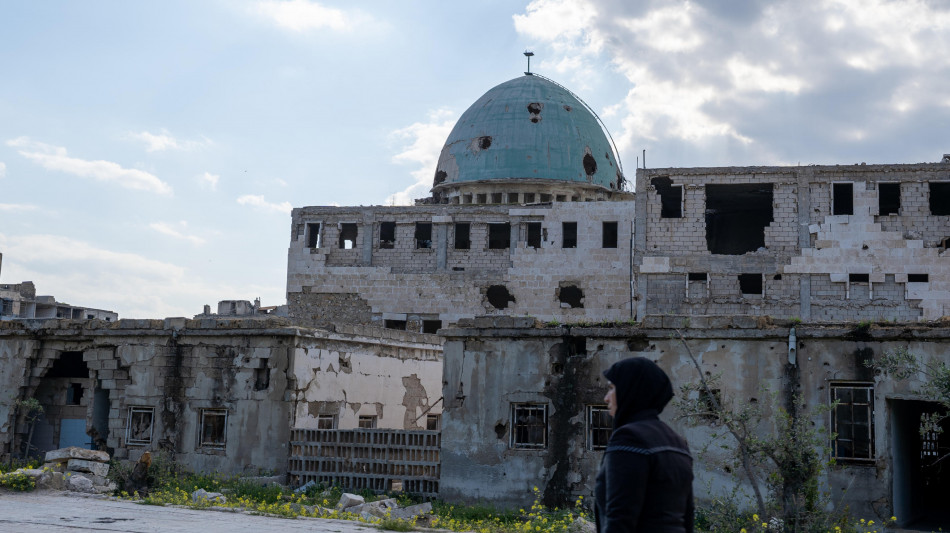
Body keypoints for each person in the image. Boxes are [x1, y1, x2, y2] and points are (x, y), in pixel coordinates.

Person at [594, 357, 694, 533]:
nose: (606, 398)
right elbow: (687, 519)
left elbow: (620, 520)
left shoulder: (628, 438)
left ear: (630, 390)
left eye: (611, 388)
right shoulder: (677, 441)